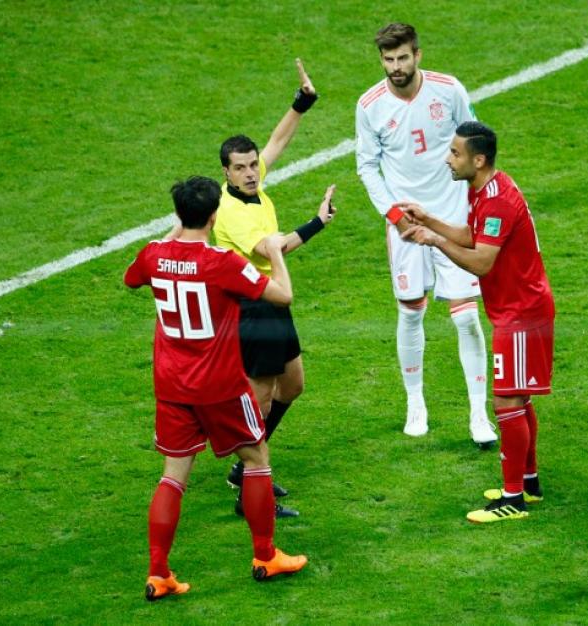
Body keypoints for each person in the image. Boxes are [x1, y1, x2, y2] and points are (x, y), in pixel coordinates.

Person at [124, 176, 308, 601]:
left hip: (172, 387)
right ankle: (266, 556)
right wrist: (277, 252)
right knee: (256, 457)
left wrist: (173, 238)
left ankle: (159, 574)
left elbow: (130, 279)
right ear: (214, 216)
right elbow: (282, 295)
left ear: (178, 214)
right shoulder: (222, 262)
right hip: (221, 386)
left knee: (172, 476)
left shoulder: (154, 255)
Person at [400, 121, 554, 523]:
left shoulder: (499, 199)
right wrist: (430, 220)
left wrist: (434, 241)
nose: (448, 159)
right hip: (517, 309)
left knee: (507, 399)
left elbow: (482, 262)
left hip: (522, 313)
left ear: (478, 159)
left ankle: (513, 498)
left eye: (455, 153)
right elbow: (473, 236)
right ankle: (529, 482)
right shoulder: (484, 189)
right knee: (518, 397)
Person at [355, 23, 494, 446]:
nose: (395, 67)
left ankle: (478, 413)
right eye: (388, 59)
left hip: (452, 213)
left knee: (467, 316)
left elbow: (474, 145)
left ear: (418, 54)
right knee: (411, 311)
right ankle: (415, 402)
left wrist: (478, 202)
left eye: (402, 58)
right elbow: (367, 165)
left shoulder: (448, 90)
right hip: (406, 223)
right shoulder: (370, 105)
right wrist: (395, 214)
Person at [210, 59, 336, 517]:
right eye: (240, 168)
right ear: (225, 172)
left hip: (272, 302)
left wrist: (302, 102)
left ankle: (244, 470)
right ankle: (249, 488)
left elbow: (278, 140)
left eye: (252, 165)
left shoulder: (255, 186)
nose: (251, 172)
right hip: (252, 310)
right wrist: (317, 223)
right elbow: (271, 249)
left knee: (294, 385)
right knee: (259, 400)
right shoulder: (232, 213)